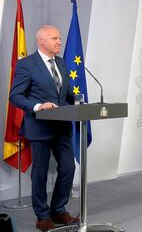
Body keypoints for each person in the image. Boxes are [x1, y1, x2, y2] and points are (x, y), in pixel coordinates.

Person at [9, 25, 77, 231]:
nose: (59, 42)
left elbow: (63, 95)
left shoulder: (62, 63)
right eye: (54, 38)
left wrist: (77, 102)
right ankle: (42, 215)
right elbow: (16, 96)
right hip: (39, 126)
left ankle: (58, 209)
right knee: (39, 171)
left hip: (62, 126)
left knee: (68, 167)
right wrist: (38, 106)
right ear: (41, 41)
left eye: (59, 38)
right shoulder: (26, 64)